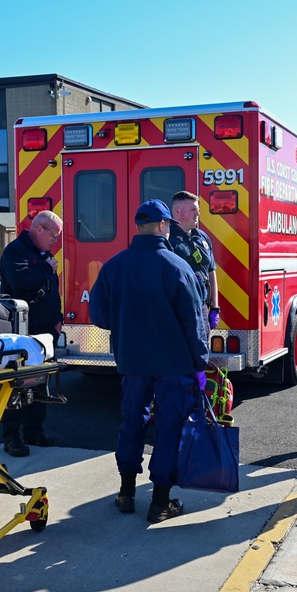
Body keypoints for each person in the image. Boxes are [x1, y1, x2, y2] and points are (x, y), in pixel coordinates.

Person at [89, 199, 209, 524]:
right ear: (161, 226)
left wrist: (128, 323)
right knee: (169, 428)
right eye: (168, 224)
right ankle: (160, 503)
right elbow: (195, 323)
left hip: (132, 362)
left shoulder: (114, 266)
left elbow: (98, 314)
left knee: (132, 422)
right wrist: (200, 365)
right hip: (174, 365)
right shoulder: (177, 266)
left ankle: (126, 492)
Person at [0, 210, 64, 457]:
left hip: (46, 331)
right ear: (39, 229)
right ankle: (12, 436)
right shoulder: (16, 251)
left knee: (40, 383)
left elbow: (52, 291)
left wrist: (57, 321)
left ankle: (34, 431)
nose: (55, 241)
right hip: (22, 331)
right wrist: (46, 268)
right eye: (54, 235)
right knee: (18, 385)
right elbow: (21, 282)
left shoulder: (44, 254)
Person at [169, 191, 220, 330]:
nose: (197, 214)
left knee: (201, 350)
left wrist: (215, 307)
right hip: (178, 310)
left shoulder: (202, 237)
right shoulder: (168, 240)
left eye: (198, 210)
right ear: (178, 211)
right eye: (193, 210)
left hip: (202, 307)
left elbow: (211, 272)